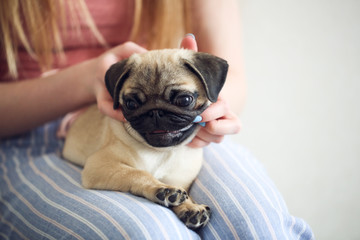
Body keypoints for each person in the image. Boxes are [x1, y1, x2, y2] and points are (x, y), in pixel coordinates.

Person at [0, 0, 314, 239]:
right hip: (30, 133)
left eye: (180, 99)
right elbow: (96, 171)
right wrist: (84, 81)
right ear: (121, 95)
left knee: (256, 223)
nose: (157, 113)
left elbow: (232, 82)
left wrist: (215, 112)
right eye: (138, 103)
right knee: (148, 232)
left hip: (191, 134)